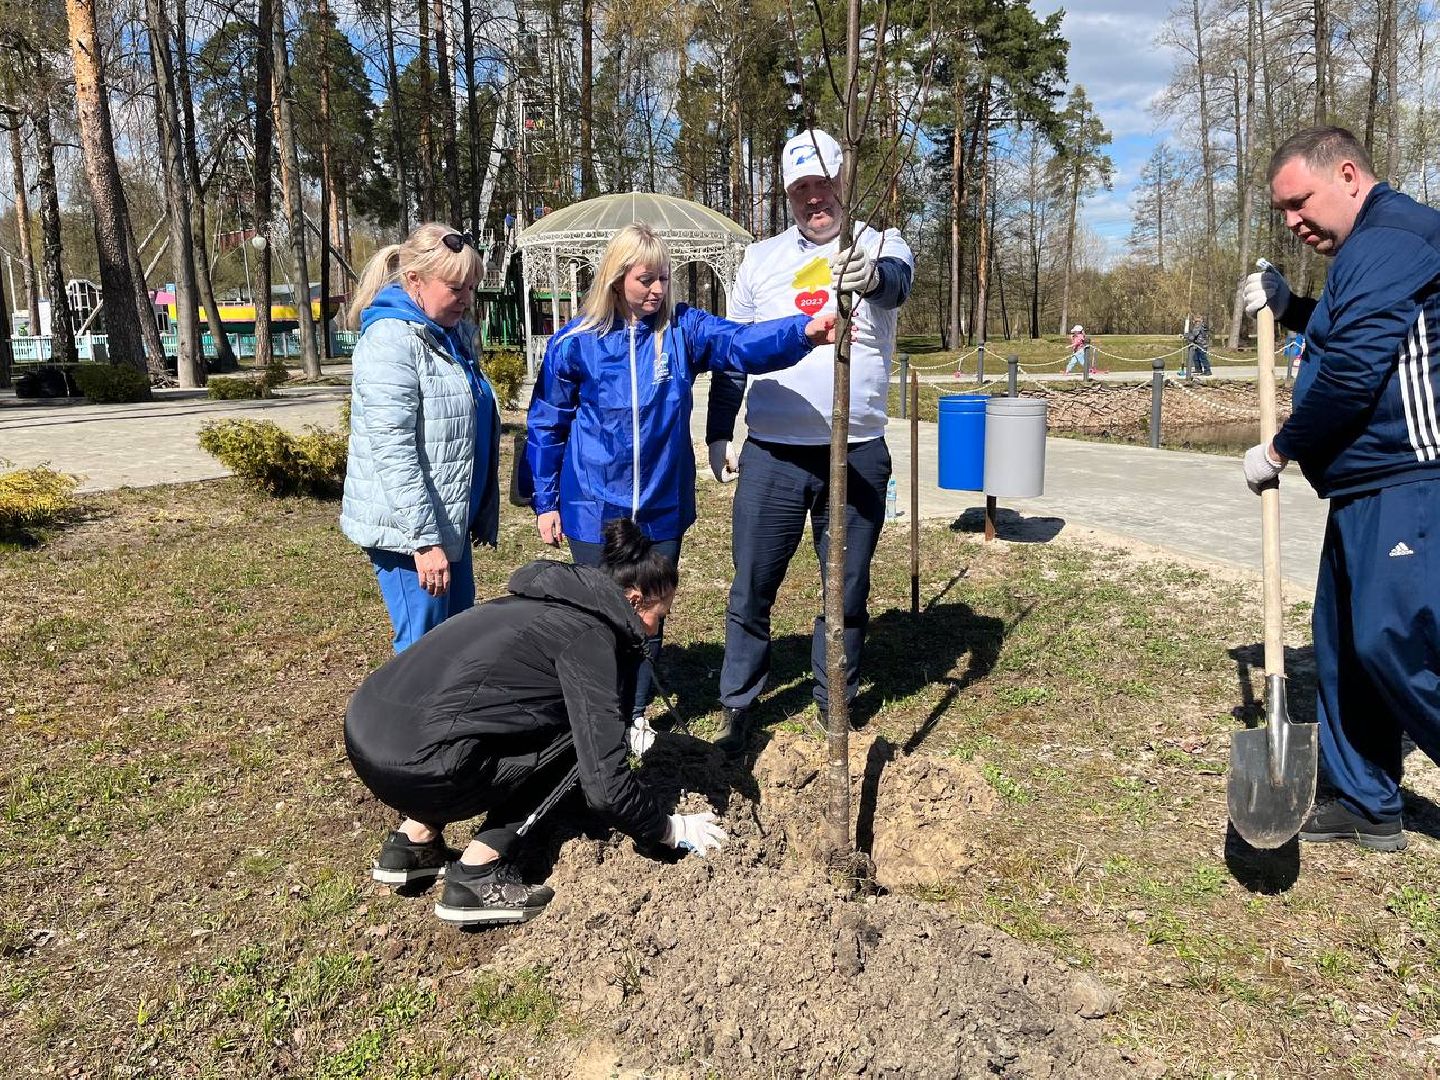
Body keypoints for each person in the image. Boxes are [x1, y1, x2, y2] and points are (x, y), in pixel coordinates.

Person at [525, 222, 839, 751]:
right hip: (591, 505)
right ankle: (595, 713)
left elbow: (739, 343)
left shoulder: (684, 330)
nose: (657, 290)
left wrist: (802, 332)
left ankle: (639, 713)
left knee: (648, 611)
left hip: (662, 505)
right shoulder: (574, 344)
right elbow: (547, 424)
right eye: (645, 279)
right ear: (616, 278)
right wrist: (546, 501)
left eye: (664, 279)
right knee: (595, 616)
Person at [345, 518, 728, 927]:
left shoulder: (532, 603)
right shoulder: (590, 638)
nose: (655, 630)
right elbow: (605, 787)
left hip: (367, 734)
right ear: (634, 601)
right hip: (420, 766)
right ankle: (477, 875)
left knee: (476, 720)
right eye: (658, 616)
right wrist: (668, 828)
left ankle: (413, 843)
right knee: (574, 741)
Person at [1241, 125, 1440, 852]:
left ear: (1348, 174)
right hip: (1363, 483)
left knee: (1395, 642)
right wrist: (1291, 305)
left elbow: (1356, 371)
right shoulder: (1368, 249)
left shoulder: (1396, 239)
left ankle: (1368, 791)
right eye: (1282, 212)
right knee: (1343, 649)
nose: (1293, 222)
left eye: (1299, 202)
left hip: (1410, 478)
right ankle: (1367, 801)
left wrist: (1279, 449)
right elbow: (1340, 328)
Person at [704, 128, 915, 753]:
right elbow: (733, 352)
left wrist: (872, 276)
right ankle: (739, 703)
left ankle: (835, 701)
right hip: (772, 451)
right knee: (751, 586)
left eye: (822, 185)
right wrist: (720, 429)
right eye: (801, 190)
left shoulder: (883, 242)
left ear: (843, 183)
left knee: (845, 587)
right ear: (787, 194)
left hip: (855, 453)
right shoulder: (760, 260)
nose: (813, 199)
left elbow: (899, 284)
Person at [340, 223, 500, 653]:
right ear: (414, 280)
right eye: (455, 287)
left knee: (458, 639)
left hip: (448, 524)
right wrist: (424, 542)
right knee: (422, 651)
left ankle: (450, 720)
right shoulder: (391, 340)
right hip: (411, 533)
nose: (466, 299)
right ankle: (404, 722)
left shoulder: (451, 337)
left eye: (471, 287)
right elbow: (393, 451)